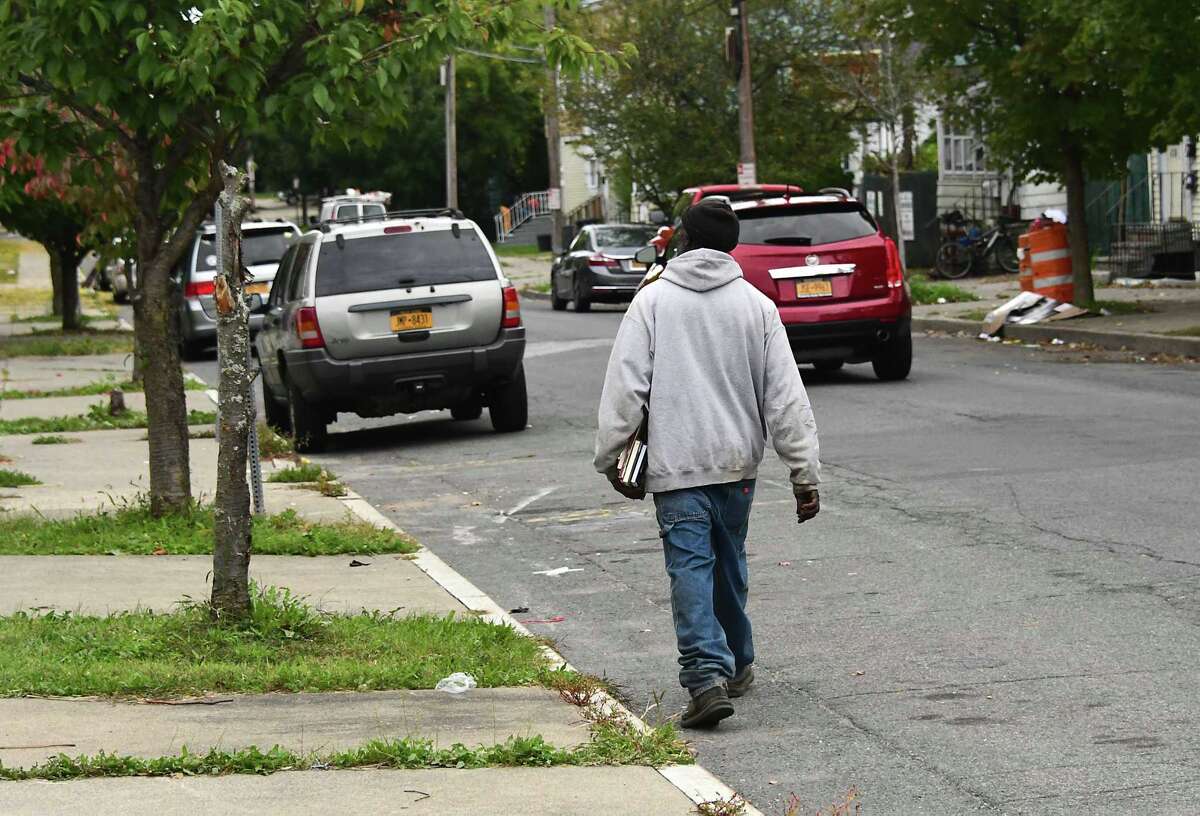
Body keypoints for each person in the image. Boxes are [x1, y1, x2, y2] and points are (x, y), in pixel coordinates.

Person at [593, 199, 821, 729]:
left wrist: (611, 455)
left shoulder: (652, 303)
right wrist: (803, 474)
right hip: (738, 466)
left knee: (690, 566)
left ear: (683, 239)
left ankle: (703, 677)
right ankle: (737, 661)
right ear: (733, 244)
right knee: (728, 560)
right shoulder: (756, 307)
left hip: (676, 466)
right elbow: (785, 399)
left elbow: (625, 386)